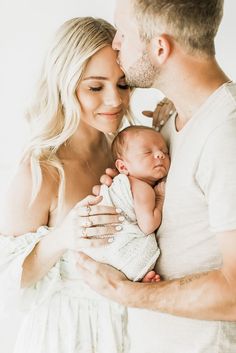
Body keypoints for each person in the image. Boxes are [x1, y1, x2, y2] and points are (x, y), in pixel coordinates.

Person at [76, 1, 236, 352]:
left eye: (123, 33)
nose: (115, 44)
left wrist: (126, 292)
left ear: (159, 47)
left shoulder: (227, 135)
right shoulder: (169, 122)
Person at [0, 16, 143, 353]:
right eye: (95, 87)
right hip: (65, 337)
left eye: (123, 84)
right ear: (64, 85)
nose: (115, 100)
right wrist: (63, 236)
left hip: (128, 332)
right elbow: (7, 278)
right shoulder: (42, 169)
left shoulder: (125, 153)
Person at [85, 125, 169, 282]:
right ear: (122, 166)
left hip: (96, 249)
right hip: (117, 247)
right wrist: (160, 197)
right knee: (139, 247)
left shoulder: (121, 182)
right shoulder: (143, 189)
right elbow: (148, 225)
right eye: (147, 152)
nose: (159, 155)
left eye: (165, 152)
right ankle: (138, 272)